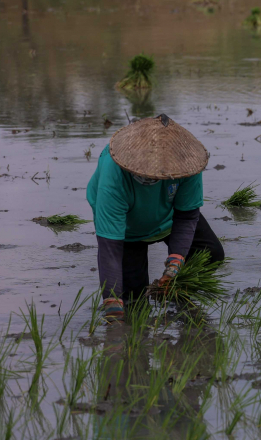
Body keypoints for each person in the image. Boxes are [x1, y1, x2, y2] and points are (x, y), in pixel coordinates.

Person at [87, 114, 224, 320]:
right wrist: (112, 304)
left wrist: (174, 266)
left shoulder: (187, 163)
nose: (152, 178)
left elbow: (186, 217)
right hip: (129, 228)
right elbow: (110, 248)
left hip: (168, 215)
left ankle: (174, 294)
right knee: (133, 301)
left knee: (211, 254)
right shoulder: (113, 173)